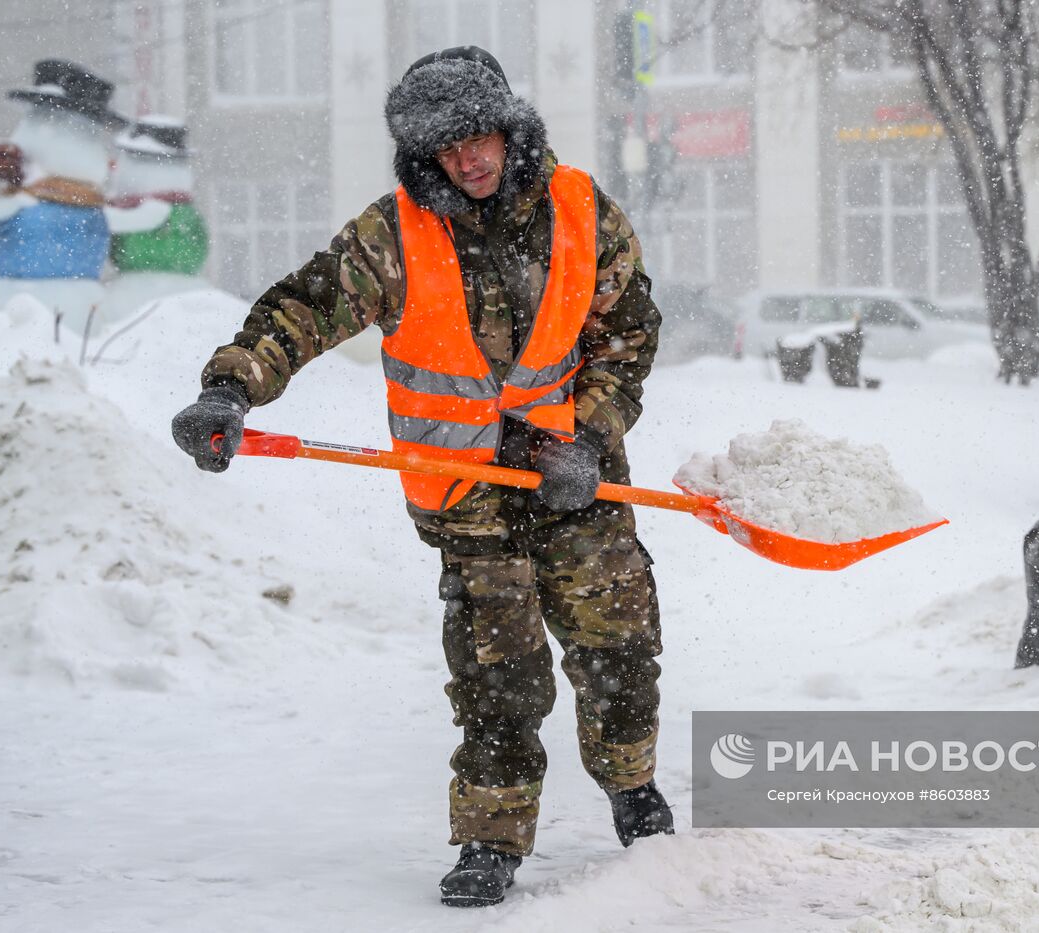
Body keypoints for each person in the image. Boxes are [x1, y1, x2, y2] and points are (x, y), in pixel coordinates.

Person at [169, 47, 671, 908]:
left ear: (506, 129)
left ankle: (631, 788)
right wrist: (228, 388)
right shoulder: (393, 234)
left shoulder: (582, 212)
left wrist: (588, 439)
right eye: (446, 149)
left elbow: (628, 335)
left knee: (617, 644)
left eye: (478, 137)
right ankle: (490, 835)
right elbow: (303, 307)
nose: (468, 160)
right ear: (423, 157)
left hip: (574, 483)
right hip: (465, 493)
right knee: (498, 676)